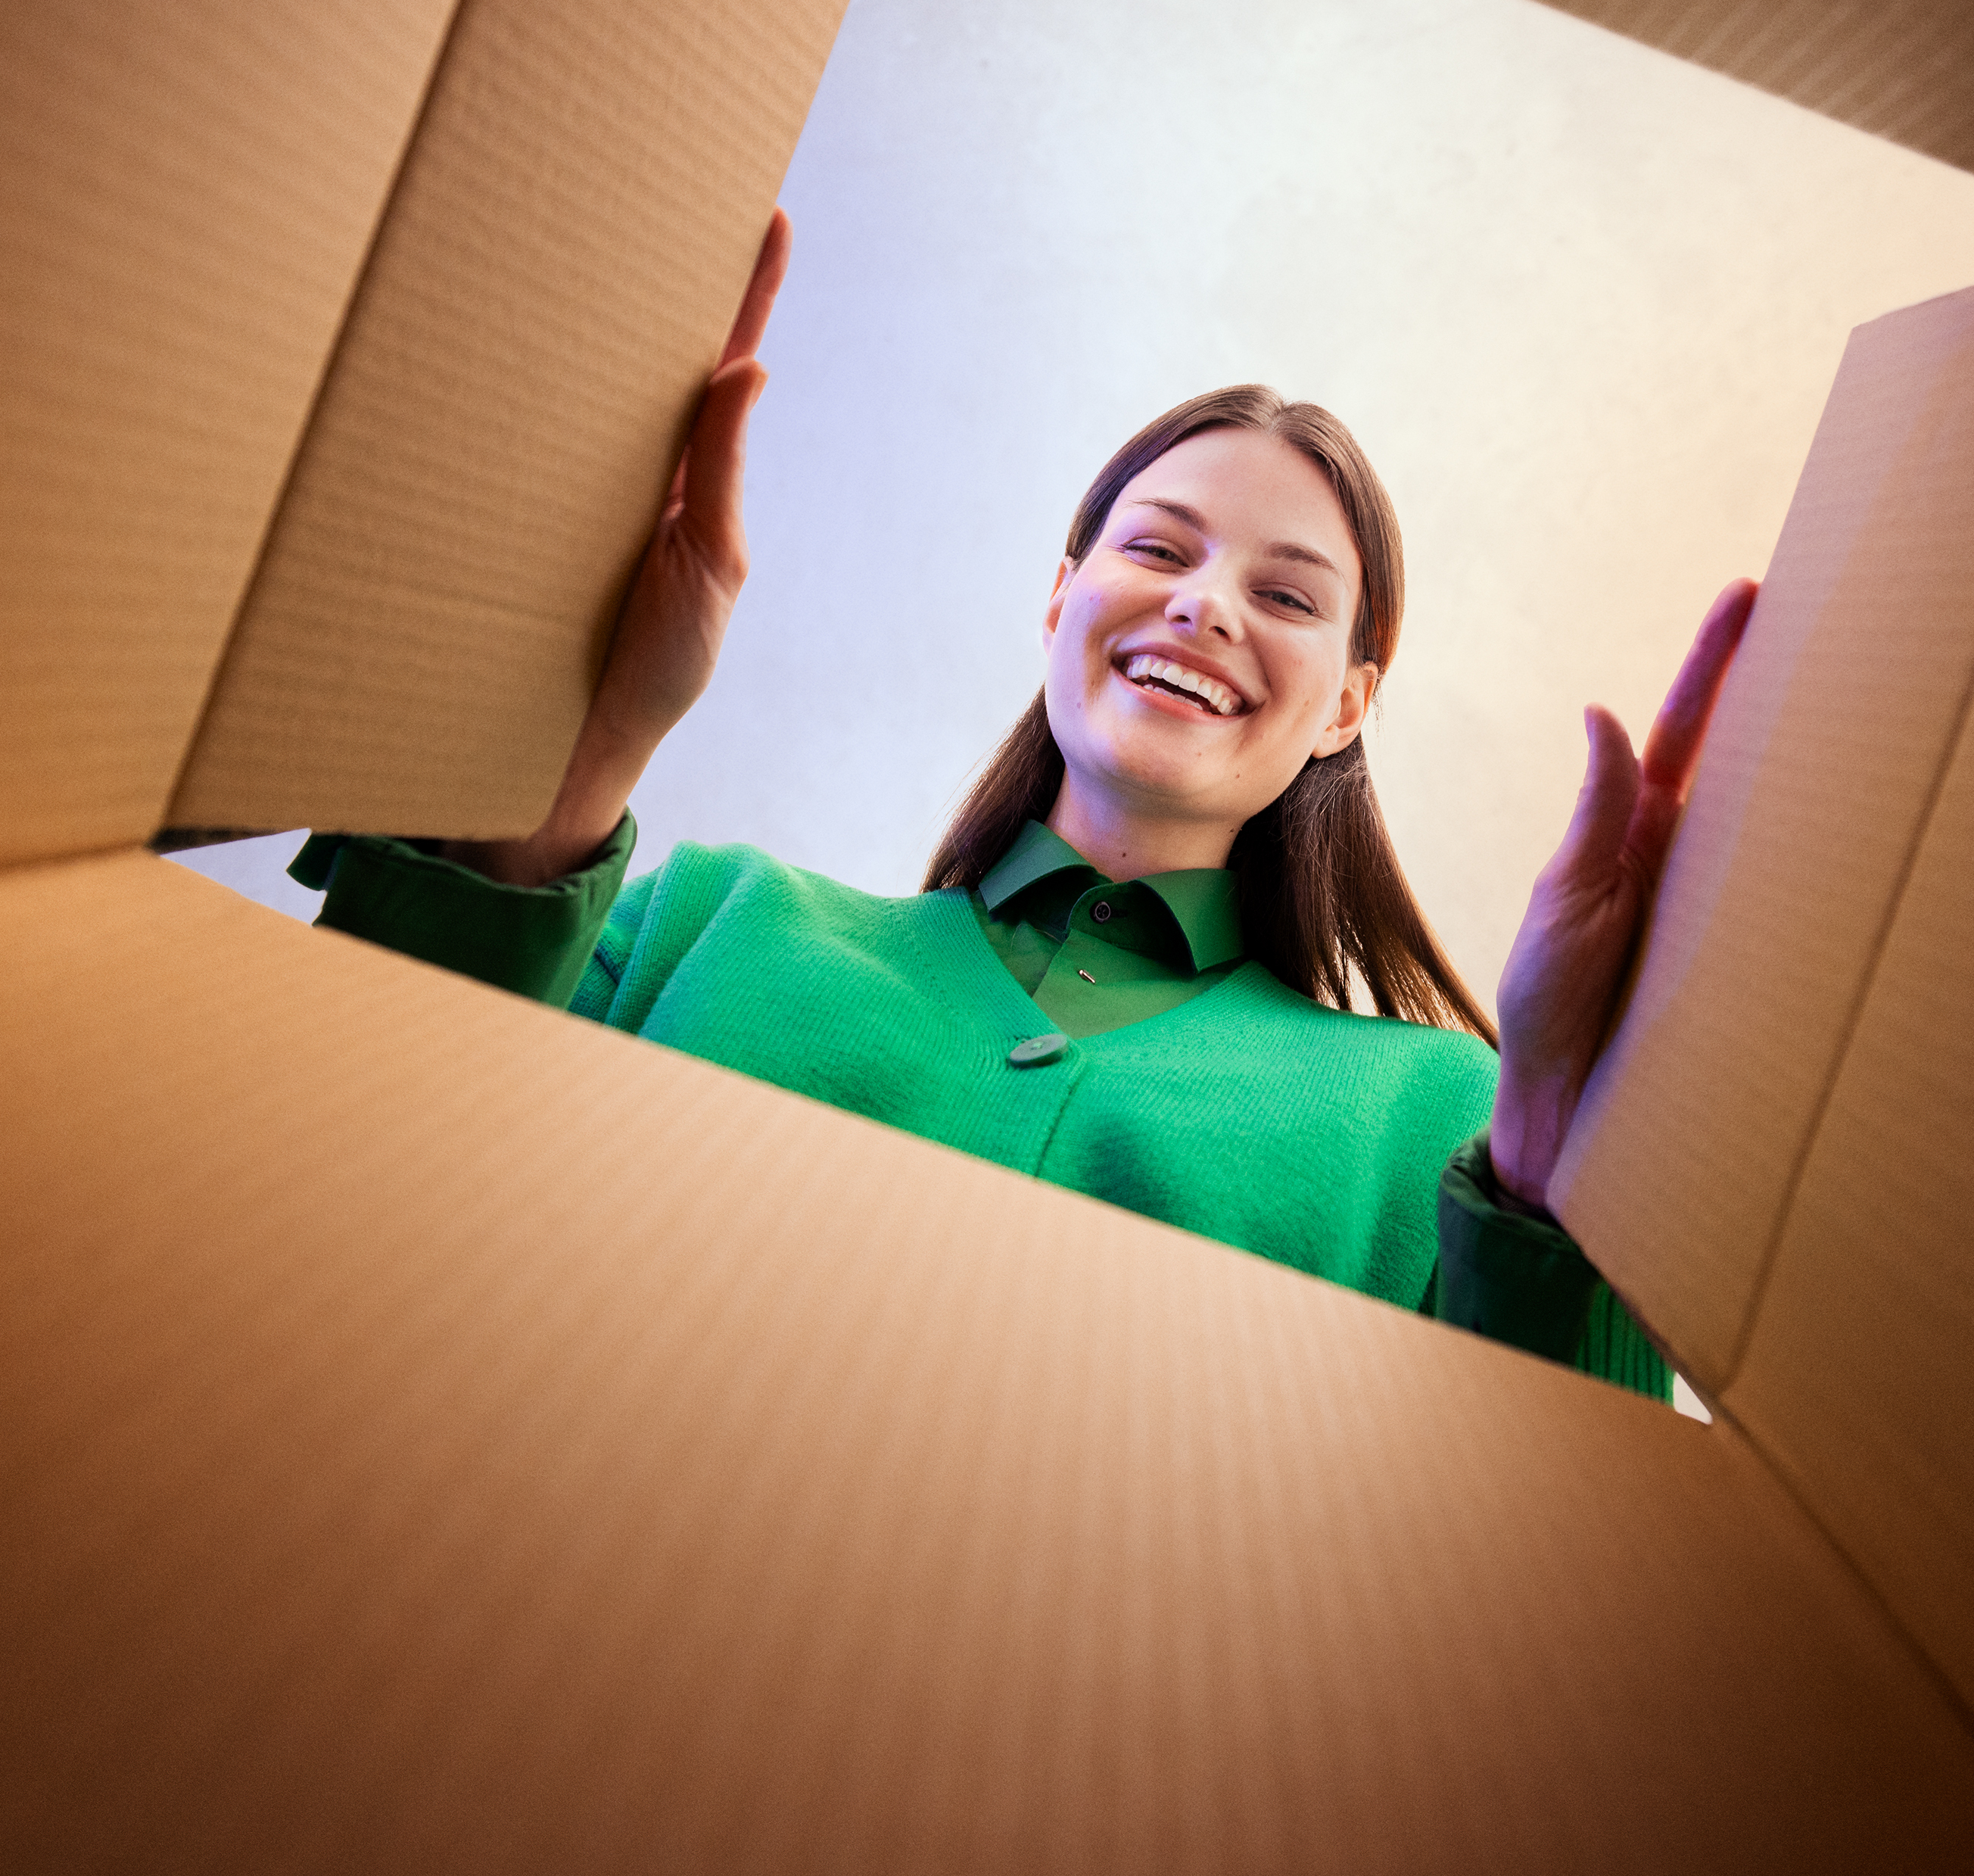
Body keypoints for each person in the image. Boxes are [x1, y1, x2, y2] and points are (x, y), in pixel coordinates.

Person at [296, 213, 1754, 1395]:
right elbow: (343, 1153)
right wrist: (586, 747)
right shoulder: (702, 921)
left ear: (1350, 706)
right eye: (1158, 549)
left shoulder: (1434, 1124)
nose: (1202, 606)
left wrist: (1565, 1128)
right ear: (1062, 599)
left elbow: (1559, 1543)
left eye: (1287, 594)